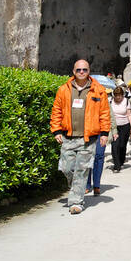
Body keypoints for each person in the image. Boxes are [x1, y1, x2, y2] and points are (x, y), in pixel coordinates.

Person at [49, 59, 111, 214]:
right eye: (79, 70)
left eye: (85, 69)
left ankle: (76, 202)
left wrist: (104, 133)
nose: (82, 72)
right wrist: (56, 130)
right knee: (67, 168)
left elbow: (104, 113)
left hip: (88, 138)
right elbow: (56, 111)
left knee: (82, 170)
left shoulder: (99, 90)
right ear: (73, 71)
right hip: (68, 136)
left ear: (89, 71)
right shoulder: (64, 89)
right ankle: (77, 187)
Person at [108, 84, 131, 174]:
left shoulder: (126, 101)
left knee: (122, 145)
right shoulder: (111, 101)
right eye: (116, 95)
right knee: (115, 145)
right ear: (114, 95)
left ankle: (121, 160)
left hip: (125, 125)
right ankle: (116, 165)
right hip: (114, 126)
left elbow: (129, 115)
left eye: (120, 95)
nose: (118, 97)